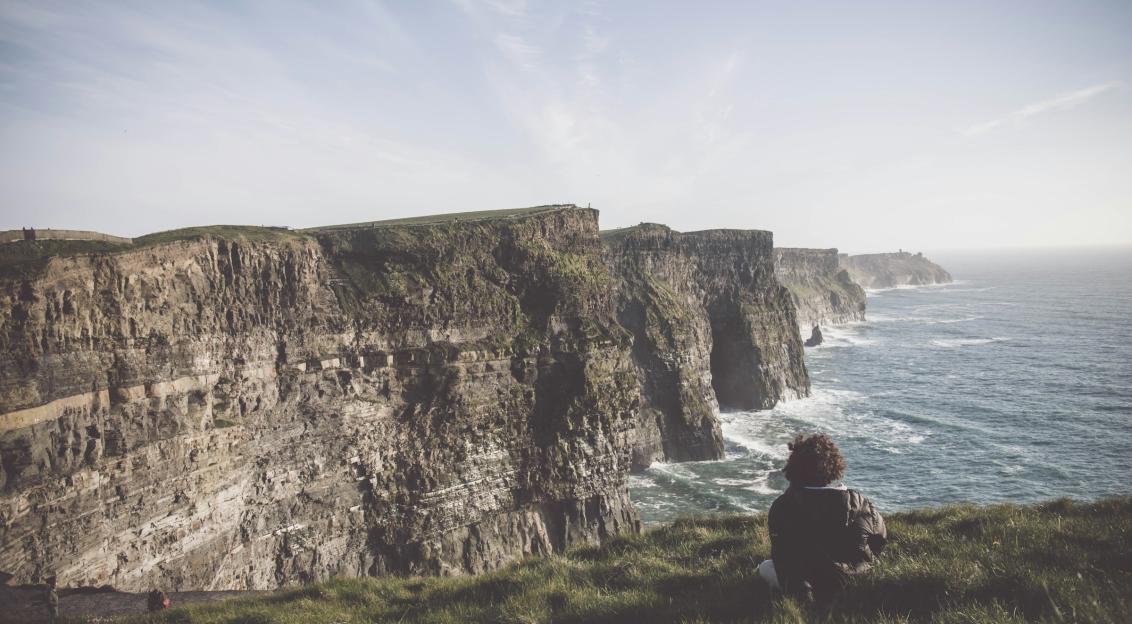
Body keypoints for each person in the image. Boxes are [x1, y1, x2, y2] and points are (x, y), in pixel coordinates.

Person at [758, 433, 887, 605]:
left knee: (765, 567)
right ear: (835, 466)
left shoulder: (783, 506)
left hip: (809, 583)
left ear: (795, 467)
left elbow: (782, 556)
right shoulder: (860, 503)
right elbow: (880, 540)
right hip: (853, 578)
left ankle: (809, 595)